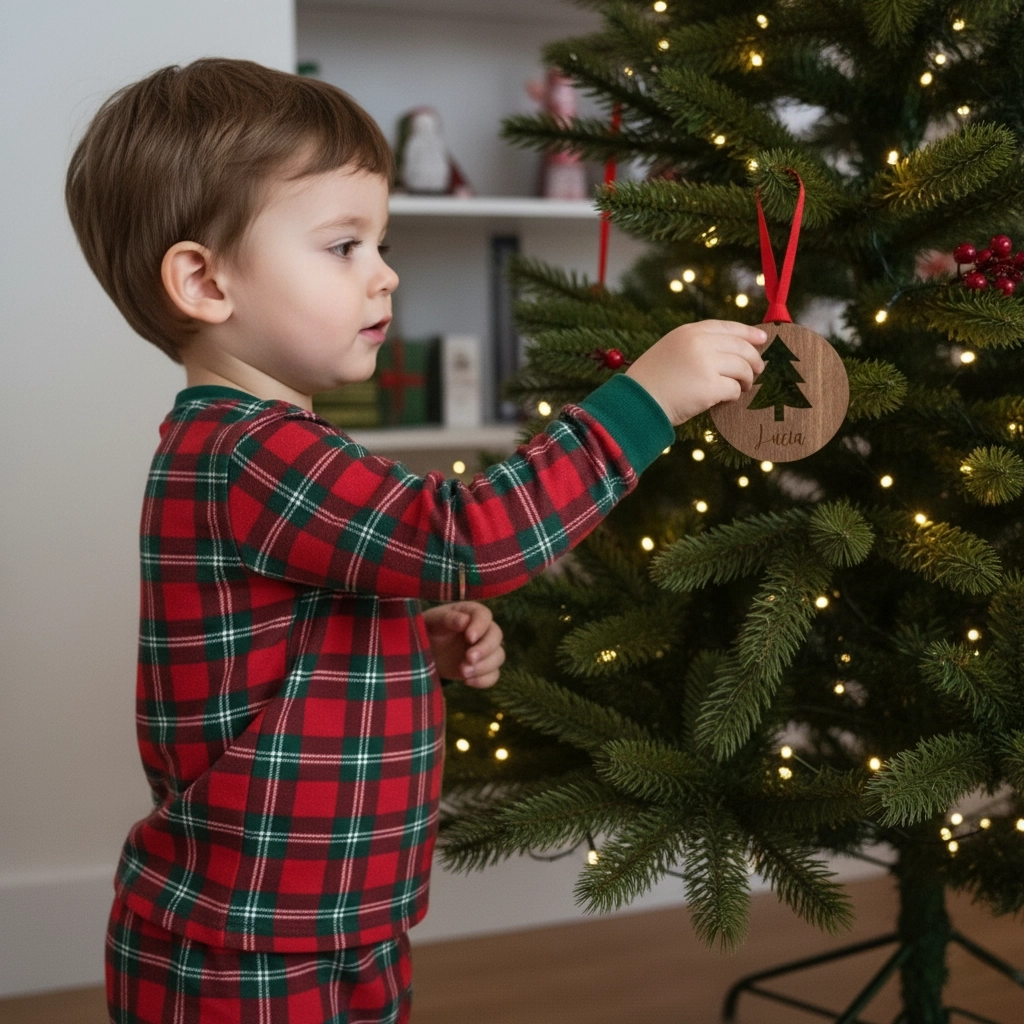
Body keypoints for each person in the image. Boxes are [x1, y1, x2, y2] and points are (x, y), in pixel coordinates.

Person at [65, 57, 767, 1024]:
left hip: (337, 912)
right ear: (204, 280)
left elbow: (306, 621)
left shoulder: (276, 449)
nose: (384, 271)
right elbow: (466, 536)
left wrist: (406, 635)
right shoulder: (251, 452)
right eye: (344, 244)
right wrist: (643, 402)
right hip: (248, 939)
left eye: (380, 241)